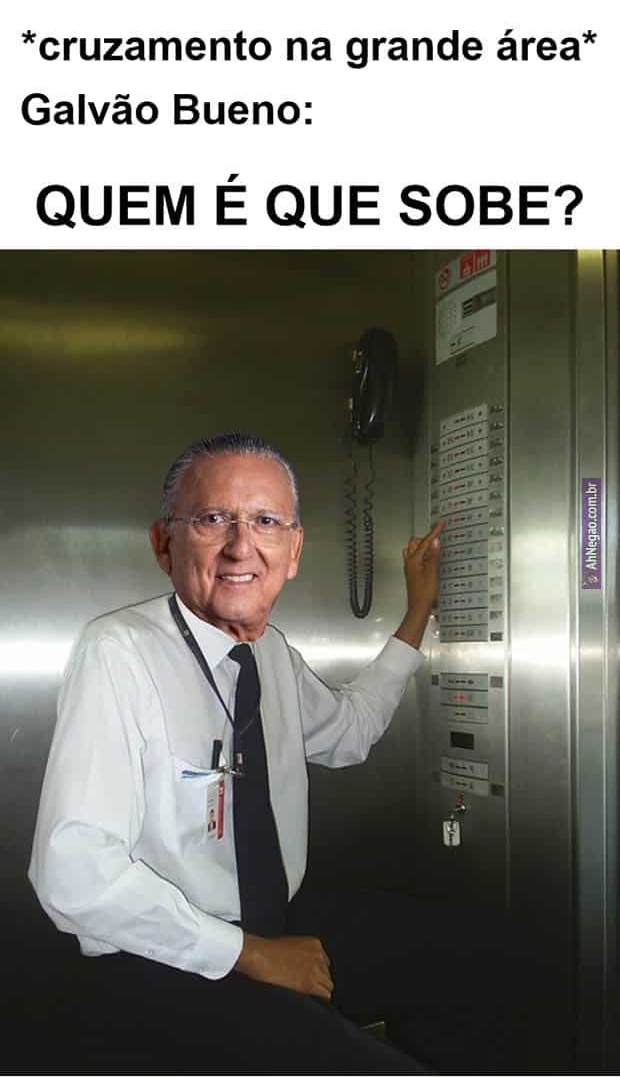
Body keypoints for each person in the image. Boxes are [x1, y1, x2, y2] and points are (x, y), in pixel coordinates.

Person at [29, 432, 504, 1075]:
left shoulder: (270, 652)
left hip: (274, 917)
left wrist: (417, 611)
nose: (241, 545)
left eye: (266, 522)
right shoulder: (118, 651)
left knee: (473, 953)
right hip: (162, 954)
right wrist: (249, 954)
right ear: (164, 543)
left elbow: (348, 734)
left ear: (294, 549)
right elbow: (73, 872)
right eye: (212, 518)